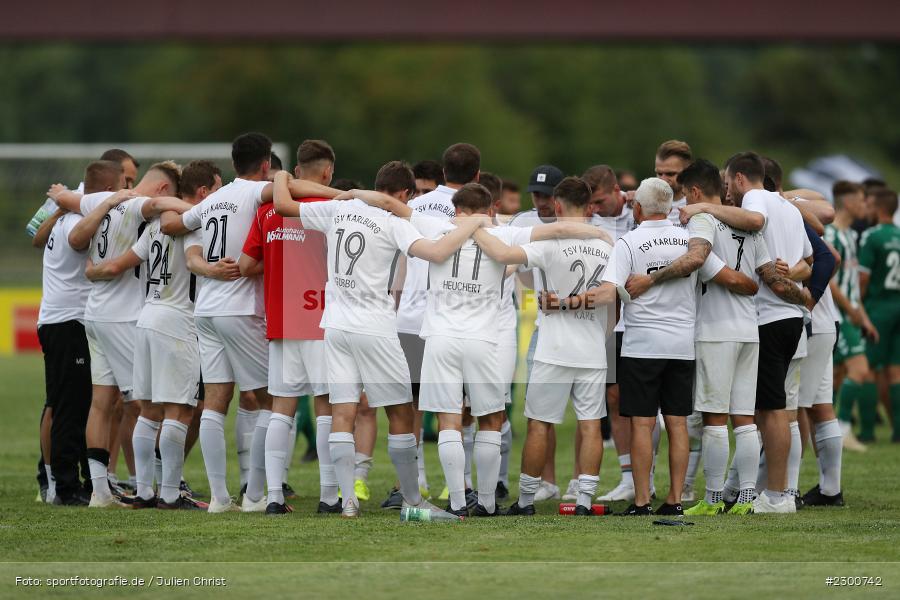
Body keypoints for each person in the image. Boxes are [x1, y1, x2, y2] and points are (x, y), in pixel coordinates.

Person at [273, 160, 485, 519]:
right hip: (375, 326)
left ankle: (348, 502)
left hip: (334, 324)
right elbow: (435, 253)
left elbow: (283, 205)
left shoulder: (339, 208)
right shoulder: (393, 221)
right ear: (405, 194)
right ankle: (413, 502)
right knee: (401, 412)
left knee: (343, 412)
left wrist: (281, 176)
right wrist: (473, 225)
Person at [161, 133, 340, 513]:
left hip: (206, 309)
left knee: (215, 402)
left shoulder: (213, 200)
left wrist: (205, 265)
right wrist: (347, 196)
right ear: (265, 166)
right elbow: (291, 192)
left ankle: (220, 498)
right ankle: (258, 494)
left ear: (232, 162)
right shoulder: (255, 193)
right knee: (273, 402)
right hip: (241, 307)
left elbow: (173, 225)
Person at [83, 160, 223, 510]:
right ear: (203, 192)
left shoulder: (157, 225)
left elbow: (118, 265)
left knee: (147, 410)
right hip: (177, 322)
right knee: (180, 410)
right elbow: (195, 262)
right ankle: (171, 494)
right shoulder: (194, 223)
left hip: (145, 318)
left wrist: (93, 271)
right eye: (217, 190)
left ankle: (145, 491)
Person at [471, 177, 615, 516]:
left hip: (553, 348)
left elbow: (503, 255)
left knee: (539, 424)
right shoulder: (608, 245)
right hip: (593, 348)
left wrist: (473, 227)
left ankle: (525, 501)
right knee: (590, 424)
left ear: (558, 205)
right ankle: (584, 501)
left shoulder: (549, 244)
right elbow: (611, 294)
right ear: (589, 206)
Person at [681, 152, 814, 514]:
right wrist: (805, 298)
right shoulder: (763, 219)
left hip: (723, 327)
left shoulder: (707, 220)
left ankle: (716, 500)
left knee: (717, 418)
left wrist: (651, 278)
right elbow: (779, 274)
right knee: (745, 418)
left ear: (696, 193)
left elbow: (713, 266)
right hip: (754, 329)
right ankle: (745, 498)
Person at [50, 161, 188, 507]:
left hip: (95, 313)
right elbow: (155, 204)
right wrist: (202, 210)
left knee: (101, 403)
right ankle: (153, 488)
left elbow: (71, 215)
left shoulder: (102, 200)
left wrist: (62, 195)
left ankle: (100, 490)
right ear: (163, 188)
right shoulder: (137, 204)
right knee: (145, 403)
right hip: (123, 317)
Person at [239, 139, 338, 515]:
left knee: (281, 409)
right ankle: (329, 497)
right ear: (327, 173)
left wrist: (282, 260)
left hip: (280, 320)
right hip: (319, 317)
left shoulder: (267, 211)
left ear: (296, 171)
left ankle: (274, 497)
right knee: (325, 406)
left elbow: (246, 266)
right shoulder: (329, 209)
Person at [594, 177, 698, 516]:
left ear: (637, 208)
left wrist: (568, 302)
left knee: (642, 423)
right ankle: (675, 499)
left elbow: (609, 291)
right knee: (678, 423)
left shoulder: (629, 241)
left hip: (642, 344)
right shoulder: (688, 239)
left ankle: (641, 501)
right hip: (682, 343)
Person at [388, 143, 482, 510]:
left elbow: (401, 260)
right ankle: (462, 487)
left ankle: (410, 485)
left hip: (411, 319)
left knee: (410, 407)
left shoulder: (416, 207)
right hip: (455, 321)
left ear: (443, 173)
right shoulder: (476, 213)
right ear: (477, 175)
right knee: (457, 407)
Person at [36, 160, 127, 506]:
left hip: (62, 320)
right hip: (67, 321)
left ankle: (72, 482)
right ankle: (64, 485)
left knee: (71, 403)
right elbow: (76, 242)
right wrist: (107, 204)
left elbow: (39, 237)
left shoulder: (68, 211)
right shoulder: (78, 219)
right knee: (70, 407)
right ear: (108, 188)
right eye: (123, 185)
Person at [582, 164, 640, 503]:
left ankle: (652, 476)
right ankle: (628, 477)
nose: (595, 207)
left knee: (646, 405)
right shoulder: (591, 222)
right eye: (591, 202)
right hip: (609, 324)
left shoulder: (641, 210)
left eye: (601, 201)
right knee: (615, 400)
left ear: (618, 190)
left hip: (646, 321)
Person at [508, 164, 565, 502]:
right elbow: (518, 269)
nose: (541, 201)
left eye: (547, 195)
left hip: (580, 322)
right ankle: (549, 481)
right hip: (545, 324)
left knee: (591, 415)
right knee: (540, 410)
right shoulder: (522, 222)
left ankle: (583, 486)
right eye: (536, 194)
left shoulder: (573, 221)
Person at [827, 181, 878, 452]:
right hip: (838, 314)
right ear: (847, 202)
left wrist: (865, 318)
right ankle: (843, 428)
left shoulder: (850, 236)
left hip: (851, 313)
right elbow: (829, 280)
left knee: (837, 375)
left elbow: (852, 285)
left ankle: (825, 430)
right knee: (859, 368)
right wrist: (850, 310)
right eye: (860, 201)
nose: (865, 206)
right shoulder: (831, 234)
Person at [858, 188, 900, 443]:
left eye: (870, 205)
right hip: (898, 305)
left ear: (879, 208)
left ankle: (867, 432)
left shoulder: (872, 235)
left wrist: (857, 305)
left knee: (867, 369)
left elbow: (863, 277)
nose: (867, 209)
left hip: (878, 308)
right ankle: (898, 431)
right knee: (896, 371)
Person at [654, 140, 692, 227]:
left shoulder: (699, 205)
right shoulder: (644, 204)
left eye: (670, 174)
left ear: (687, 171)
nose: (663, 180)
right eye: (659, 173)